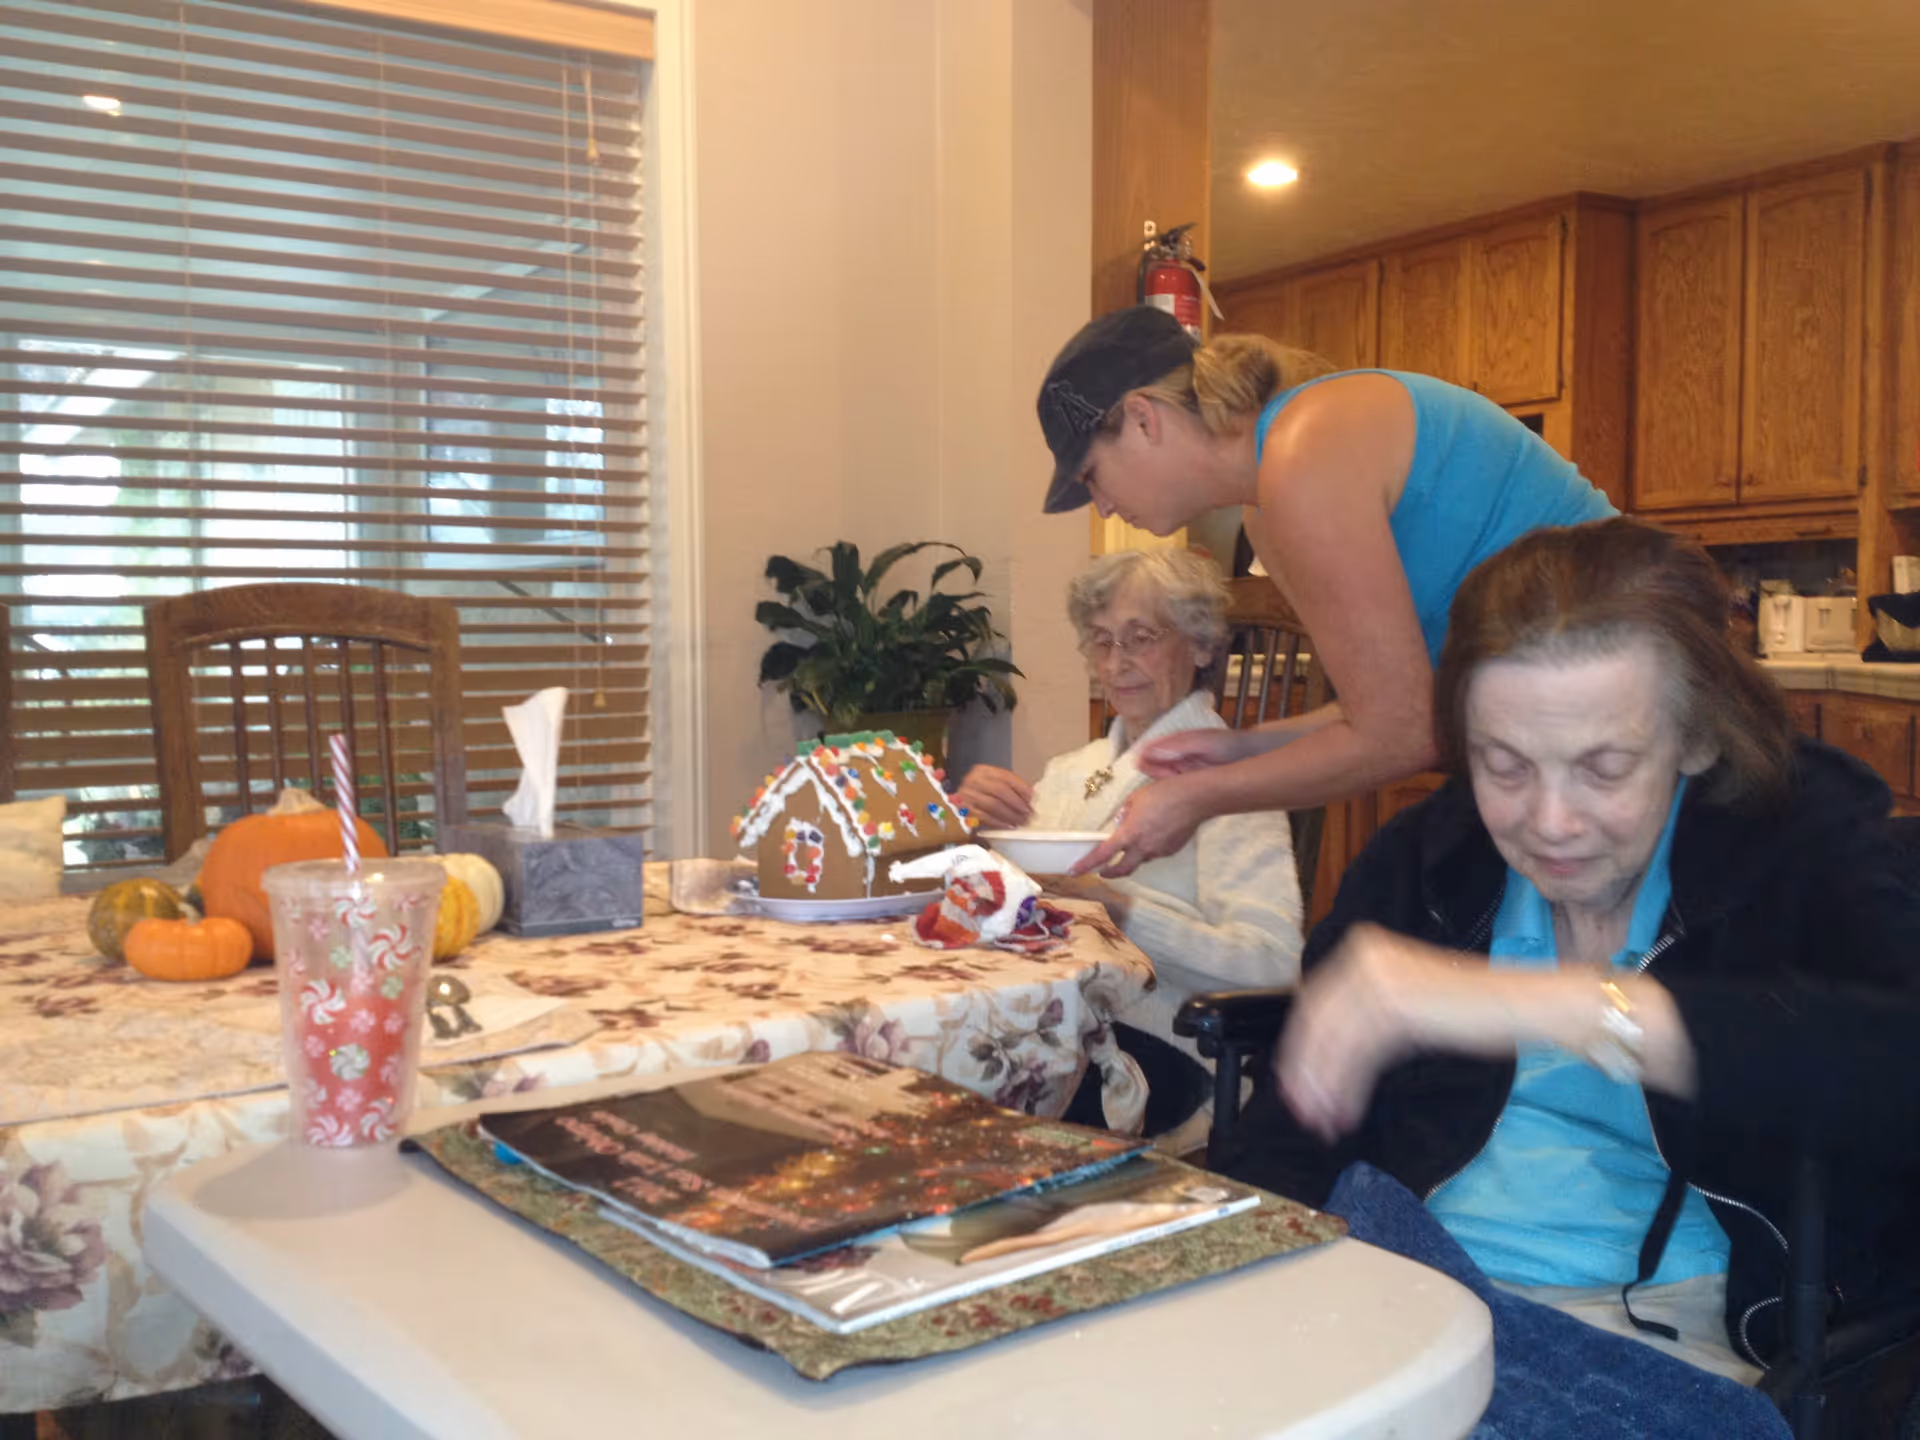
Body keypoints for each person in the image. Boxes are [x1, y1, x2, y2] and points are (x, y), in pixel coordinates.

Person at [1233, 519, 1920, 1413]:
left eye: (1605, 768)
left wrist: (1574, 1008)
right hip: (1407, 1296)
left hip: (1666, 1350)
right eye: (1504, 765)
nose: (1550, 822)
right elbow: (1287, 1140)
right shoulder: (1426, 863)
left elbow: (1894, 1065)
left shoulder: (1800, 843)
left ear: (1700, 739)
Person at [1034, 304, 1617, 878]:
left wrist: (1199, 797)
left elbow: (1404, 735)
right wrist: (1245, 748)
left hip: (1635, 716)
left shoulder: (1301, 456)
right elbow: (1397, 709)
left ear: (1142, 419)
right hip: (1563, 731)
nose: (1102, 504)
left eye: (1091, 475)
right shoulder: (1265, 508)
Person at [954, 547, 1303, 1142]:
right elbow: (1004, 908)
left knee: (956, 1111)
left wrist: (1120, 912)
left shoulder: (1230, 784)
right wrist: (964, 825)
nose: (1117, 663)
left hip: (1168, 1045)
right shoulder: (1073, 770)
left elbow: (1273, 963)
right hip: (1046, 1024)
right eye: (1101, 640)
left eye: (1140, 637)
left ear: (1200, 646)